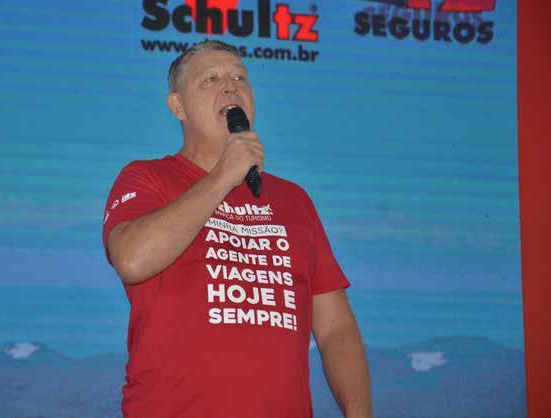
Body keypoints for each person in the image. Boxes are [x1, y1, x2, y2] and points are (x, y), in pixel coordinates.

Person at [102, 40, 372, 418]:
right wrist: (223, 176)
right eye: (211, 79)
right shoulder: (147, 178)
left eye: (239, 78)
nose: (230, 86)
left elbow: (335, 328)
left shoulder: (294, 200)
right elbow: (132, 260)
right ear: (178, 106)